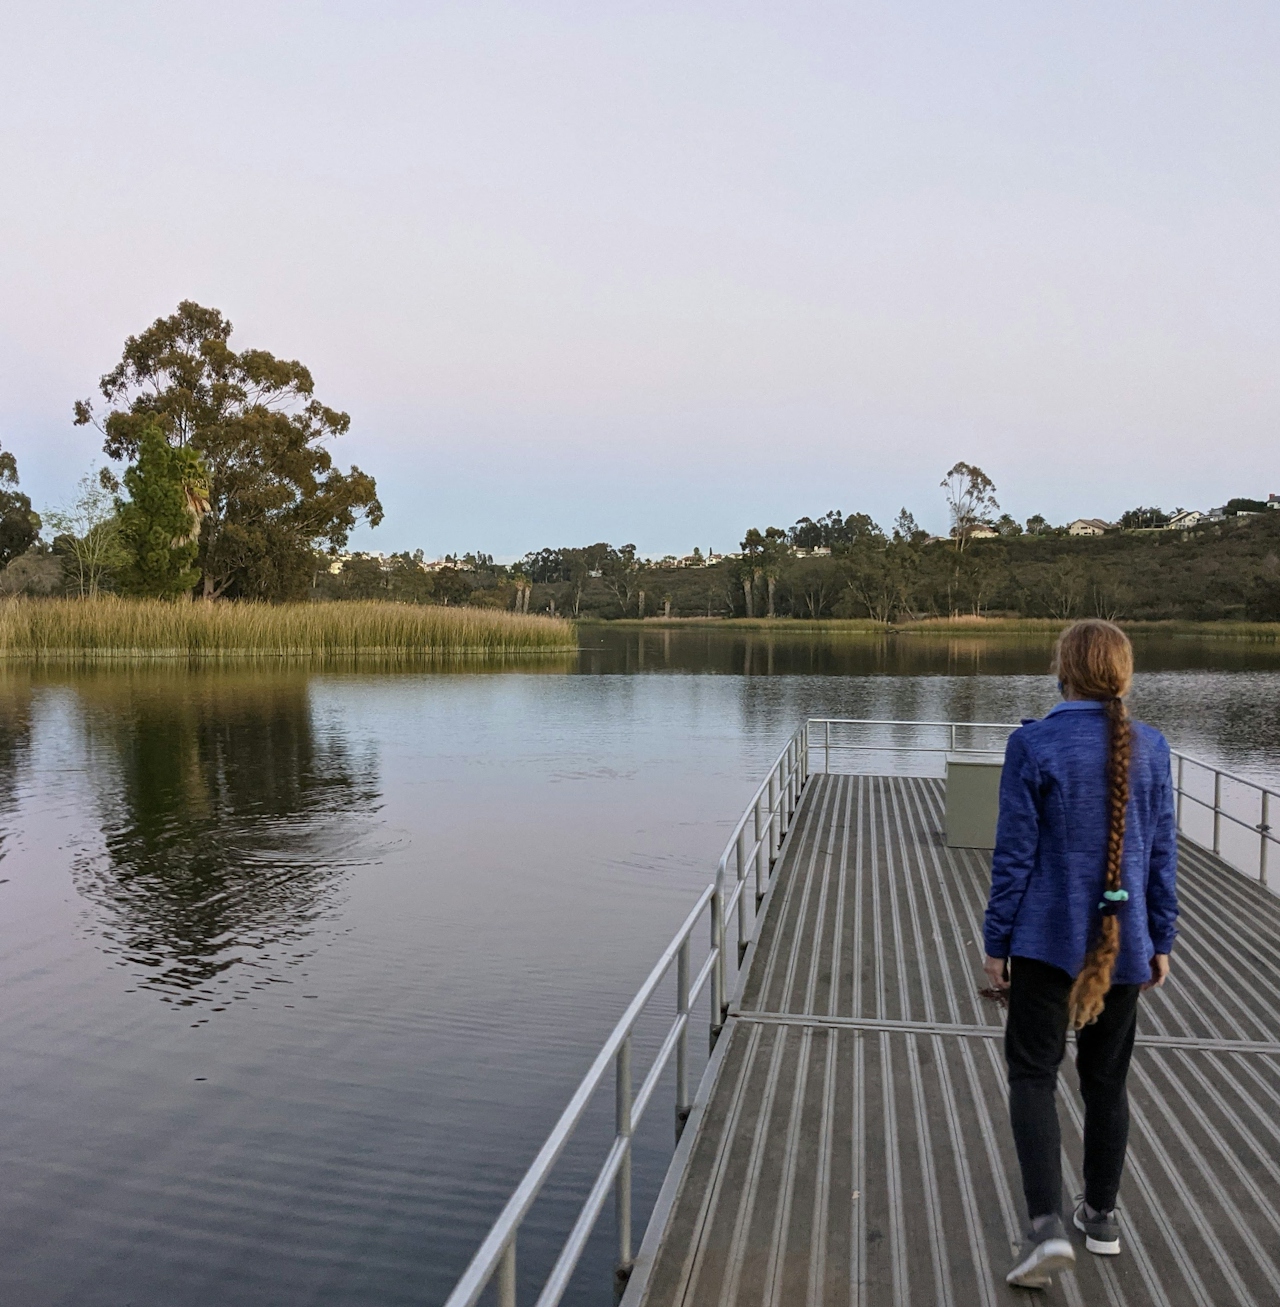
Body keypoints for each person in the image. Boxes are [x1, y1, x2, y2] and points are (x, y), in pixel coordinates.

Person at [982, 619, 1178, 1290]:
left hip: (1043, 941)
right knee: (1106, 1081)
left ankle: (1045, 1229)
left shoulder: (1033, 744)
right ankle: (1101, 1217)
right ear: (1122, 674)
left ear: (1063, 670)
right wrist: (1162, 939)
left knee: (1034, 1075)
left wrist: (996, 943)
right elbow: (1160, 856)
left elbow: (1013, 858)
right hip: (1124, 943)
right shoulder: (1152, 746)